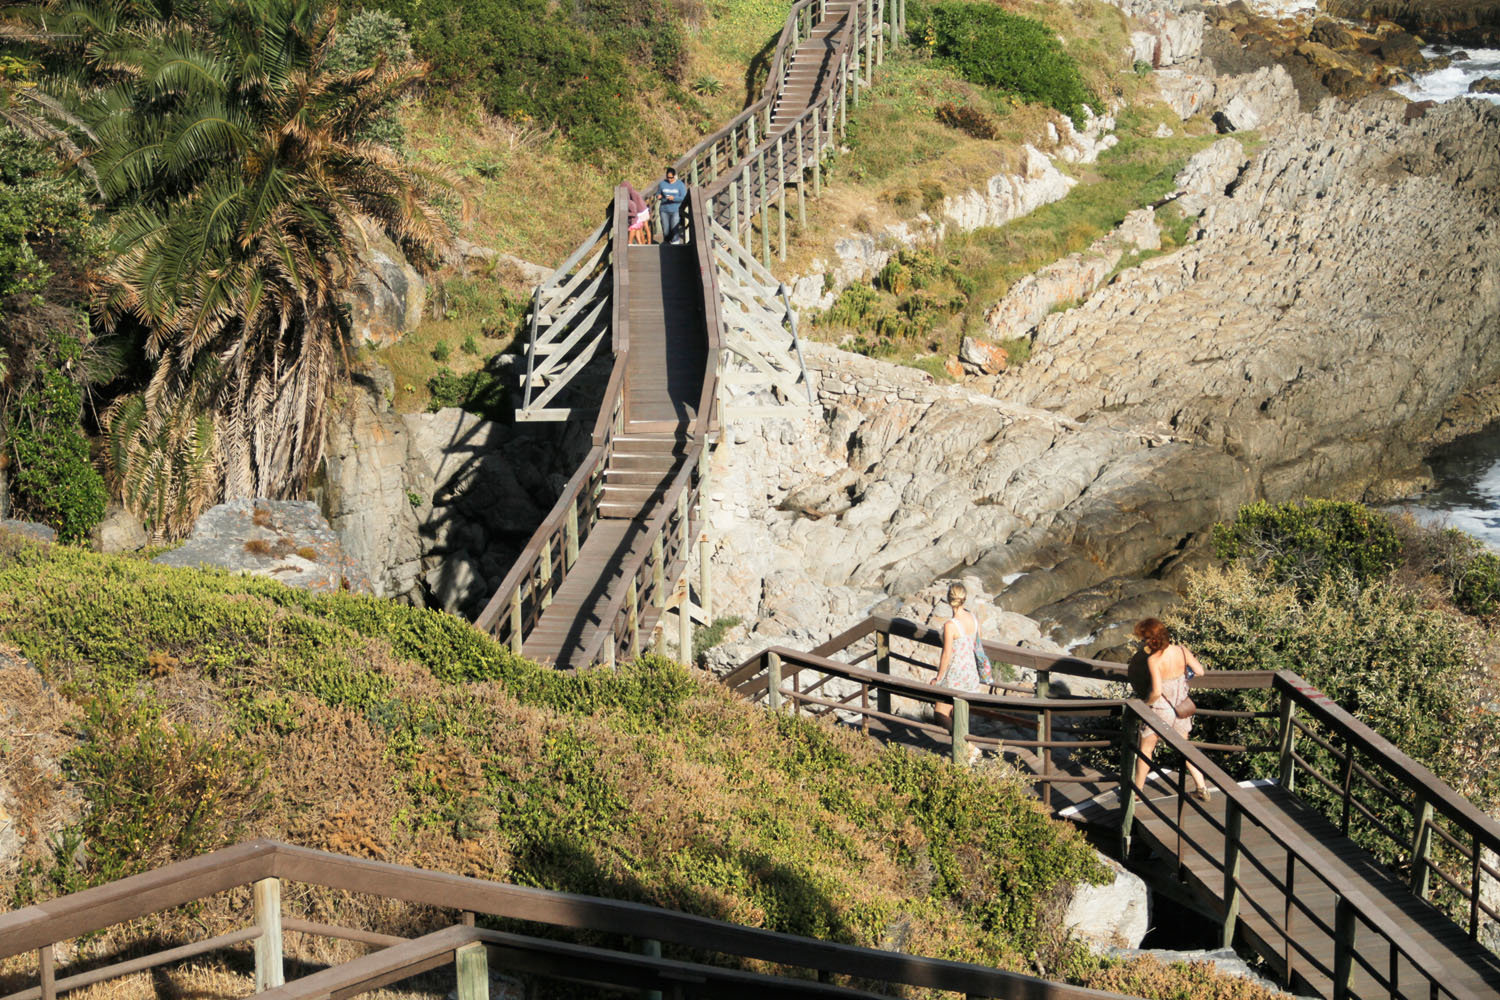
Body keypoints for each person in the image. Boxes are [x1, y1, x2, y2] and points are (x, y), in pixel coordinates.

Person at [1131, 617, 1211, 801]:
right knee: (1185, 748)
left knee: (1146, 749)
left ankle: (1137, 792)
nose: (1143, 643)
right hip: (1181, 707)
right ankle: (1202, 787)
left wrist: (1145, 704)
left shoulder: (1154, 660)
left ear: (1151, 640)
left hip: (1160, 710)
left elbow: (1157, 691)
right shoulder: (1182, 651)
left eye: (1144, 640)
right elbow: (1200, 671)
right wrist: (1183, 675)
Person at [934, 583, 985, 762]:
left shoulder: (950, 625)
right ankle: (966, 749)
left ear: (949, 600)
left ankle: (968, 748)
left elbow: (947, 654)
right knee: (957, 713)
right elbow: (976, 644)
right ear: (964, 598)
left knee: (939, 712)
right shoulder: (973, 618)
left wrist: (938, 678)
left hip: (955, 675)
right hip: (971, 675)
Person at [648, 166, 687, 244]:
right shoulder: (662, 184)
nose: (669, 179)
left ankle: (675, 243)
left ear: (674, 176)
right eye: (668, 177)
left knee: (674, 228)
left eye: (671, 177)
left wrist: (674, 198)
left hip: (675, 209)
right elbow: (658, 193)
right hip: (664, 210)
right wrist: (658, 196)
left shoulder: (680, 185)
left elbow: (683, 197)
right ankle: (667, 244)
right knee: (666, 230)